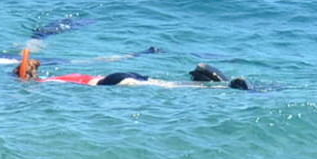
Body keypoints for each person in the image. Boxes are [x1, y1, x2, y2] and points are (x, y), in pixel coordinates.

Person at [15, 50, 249, 89]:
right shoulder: (57, 77)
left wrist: (23, 79)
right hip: (115, 75)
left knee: (168, 86)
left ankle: (222, 87)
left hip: (109, 82)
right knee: (163, 83)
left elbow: (27, 80)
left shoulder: (47, 82)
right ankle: (209, 84)